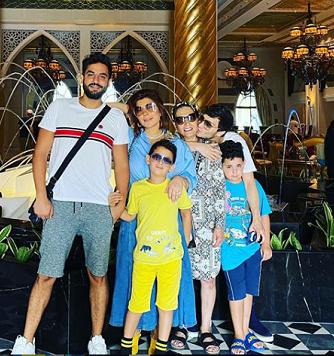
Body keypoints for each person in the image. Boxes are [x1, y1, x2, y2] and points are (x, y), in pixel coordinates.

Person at [11, 52, 130, 355]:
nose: (96, 80)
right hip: (61, 204)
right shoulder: (60, 108)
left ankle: (97, 338)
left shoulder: (115, 118)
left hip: (98, 207)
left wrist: (119, 203)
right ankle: (26, 341)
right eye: (91, 74)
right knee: (46, 274)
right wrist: (41, 196)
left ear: (108, 81)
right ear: (81, 78)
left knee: (98, 275)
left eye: (102, 76)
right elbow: (40, 154)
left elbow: (122, 164)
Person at [109, 89, 198, 354]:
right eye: (139, 109)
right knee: (135, 278)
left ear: (160, 109)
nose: (146, 113)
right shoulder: (131, 139)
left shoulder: (176, 143)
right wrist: (128, 108)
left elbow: (190, 177)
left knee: (166, 285)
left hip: (167, 221)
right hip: (135, 219)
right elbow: (108, 108)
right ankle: (134, 337)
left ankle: (159, 340)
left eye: (150, 107)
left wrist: (180, 180)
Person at [196, 104, 273, 342]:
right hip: (210, 228)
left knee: (247, 288)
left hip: (243, 241)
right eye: (201, 119)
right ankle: (201, 324)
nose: (199, 125)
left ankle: (246, 327)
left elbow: (249, 183)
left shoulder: (234, 142)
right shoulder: (195, 137)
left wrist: (258, 224)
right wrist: (197, 145)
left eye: (207, 123)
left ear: (221, 132)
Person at [170, 101, 225, 354]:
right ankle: (181, 325)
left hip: (206, 224)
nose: (186, 123)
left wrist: (219, 225)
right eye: (180, 120)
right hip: (176, 221)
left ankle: (205, 328)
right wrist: (195, 146)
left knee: (208, 278)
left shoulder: (213, 149)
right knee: (180, 277)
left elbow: (219, 189)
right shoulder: (171, 146)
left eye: (190, 117)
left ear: (197, 119)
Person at [218, 141, 271, 355]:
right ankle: (239, 335)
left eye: (239, 166)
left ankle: (246, 330)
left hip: (252, 250)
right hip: (230, 252)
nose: (234, 171)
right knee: (236, 294)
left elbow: (264, 214)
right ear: (221, 166)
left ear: (244, 165)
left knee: (249, 292)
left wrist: (266, 242)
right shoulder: (219, 186)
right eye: (229, 167)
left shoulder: (253, 186)